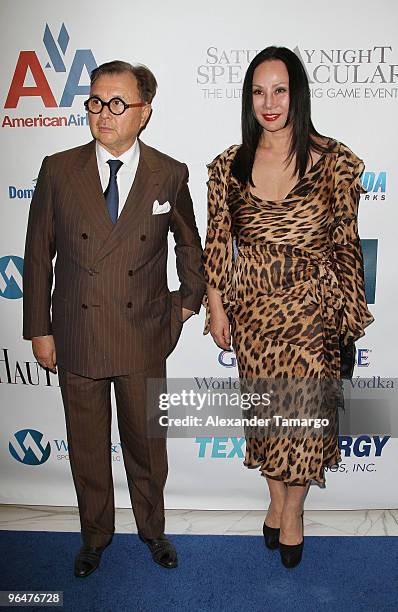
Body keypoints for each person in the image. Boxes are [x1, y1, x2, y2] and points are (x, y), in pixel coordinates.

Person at [23, 60, 205, 577]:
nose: (105, 114)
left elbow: (190, 247)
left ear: (145, 112)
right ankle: (95, 536)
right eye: (97, 102)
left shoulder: (168, 173)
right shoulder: (59, 169)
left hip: (145, 335)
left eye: (119, 104)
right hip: (76, 333)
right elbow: (38, 253)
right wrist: (39, 327)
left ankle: (153, 530)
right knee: (85, 446)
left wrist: (184, 306)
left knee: (147, 449)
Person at [203, 46, 373, 568]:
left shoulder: (334, 163)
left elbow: (346, 243)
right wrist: (216, 308)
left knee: (303, 425)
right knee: (270, 420)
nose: (269, 102)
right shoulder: (229, 166)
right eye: (258, 91)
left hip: (310, 318)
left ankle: (292, 512)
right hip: (252, 315)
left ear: (298, 94)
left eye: (280, 90)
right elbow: (217, 243)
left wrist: (346, 316)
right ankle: (276, 501)